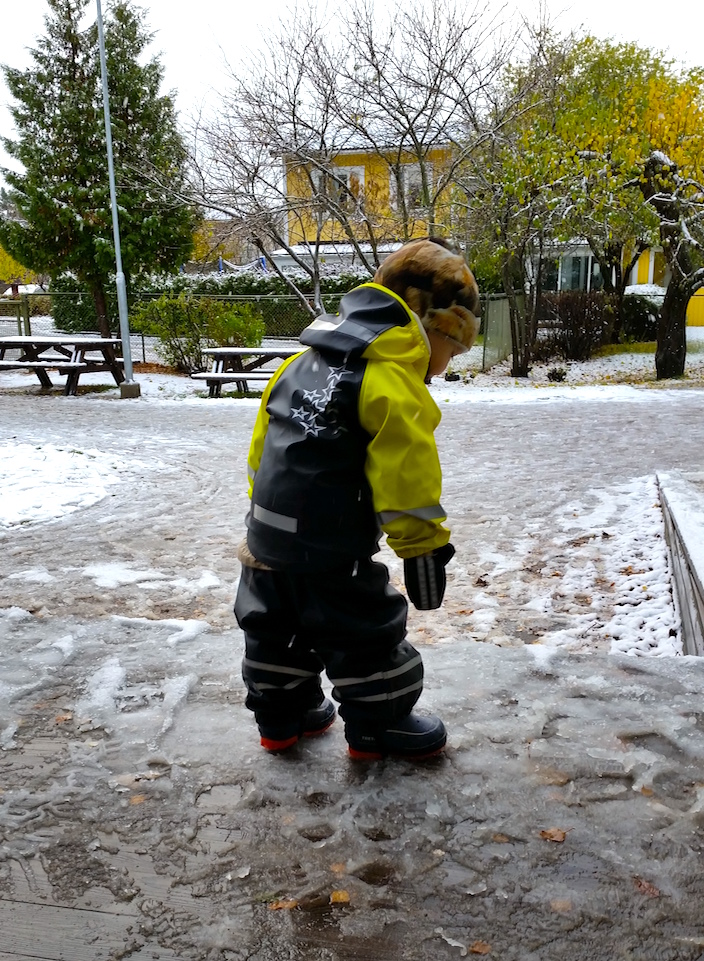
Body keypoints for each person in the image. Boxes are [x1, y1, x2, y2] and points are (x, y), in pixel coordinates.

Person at [234, 237, 480, 760]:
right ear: (425, 322)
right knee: (362, 631)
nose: (444, 365)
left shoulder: (301, 363)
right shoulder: (389, 378)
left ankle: (283, 719)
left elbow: (262, 445)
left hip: (267, 540)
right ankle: (378, 726)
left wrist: (263, 517)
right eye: (450, 347)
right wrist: (422, 548)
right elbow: (405, 473)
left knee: (274, 628)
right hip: (331, 550)